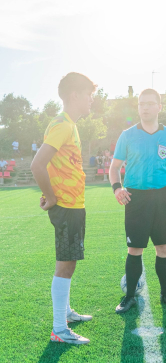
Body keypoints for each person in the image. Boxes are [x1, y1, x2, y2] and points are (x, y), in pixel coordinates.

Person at [31, 72, 97, 345]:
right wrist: (52, 196)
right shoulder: (63, 126)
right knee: (65, 263)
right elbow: (37, 164)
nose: (92, 100)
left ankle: (65, 313)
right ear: (75, 96)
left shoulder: (67, 124)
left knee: (69, 262)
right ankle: (59, 328)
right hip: (67, 205)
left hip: (73, 204)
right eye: (89, 94)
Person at [109, 88, 166, 313]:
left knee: (163, 248)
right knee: (135, 248)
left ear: (159, 107)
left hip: (163, 196)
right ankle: (130, 296)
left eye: (150, 103)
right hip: (136, 198)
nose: (145, 107)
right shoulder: (127, 135)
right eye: (141, 103)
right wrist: (117, 189)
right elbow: (114, 168)